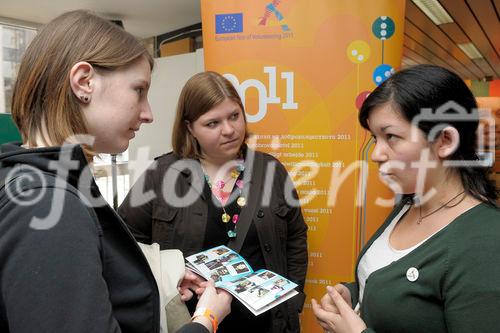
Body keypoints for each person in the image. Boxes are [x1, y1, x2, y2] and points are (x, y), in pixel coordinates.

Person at [0, 10, 231, 333]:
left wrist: (161, 277)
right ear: (84, 82)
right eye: (139, 90)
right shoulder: (48, 204)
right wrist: (204, 321)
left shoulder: (28, 181)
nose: (148, 114)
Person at [312, 64, 500, 333]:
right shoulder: (410, 204)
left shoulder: (487, 243)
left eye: (391, 137)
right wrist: (354, 294)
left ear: (445, 140)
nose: (376, 153)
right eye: (375, 138)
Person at [118, 71, 308, 333]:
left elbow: (296, 236)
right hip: (192, 322)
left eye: (234, 116)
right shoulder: (162, 174)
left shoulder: (270, 170)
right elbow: (125, 241)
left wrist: (293, 299)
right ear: (189, 128)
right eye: (212, 123)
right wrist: (165, 280)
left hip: (265, 323)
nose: (229, 130)